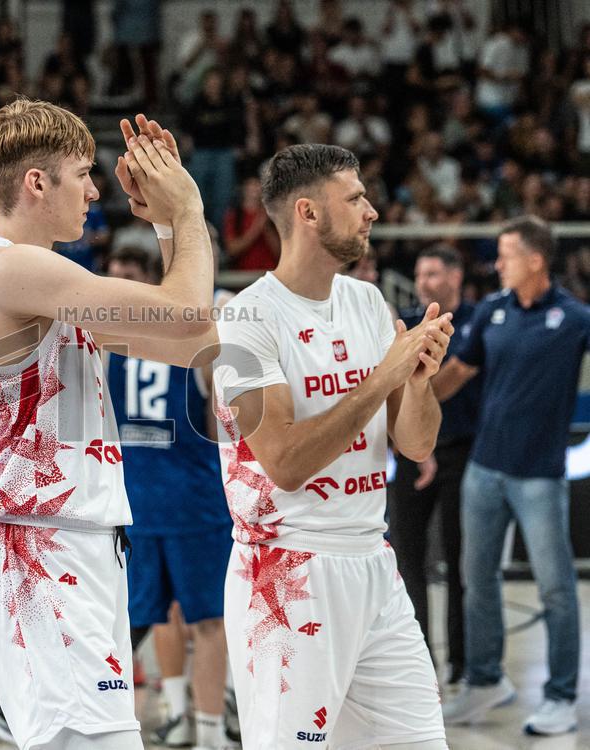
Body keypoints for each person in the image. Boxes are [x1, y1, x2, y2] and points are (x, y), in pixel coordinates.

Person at [0, 99, 217, 750]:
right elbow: (187, 315)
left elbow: (189, 341)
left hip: (69, 546)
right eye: (82, 173)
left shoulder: (43, 280)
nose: (97, 191)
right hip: (37, 549)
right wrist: (187, 211)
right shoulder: (11, 267)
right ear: (38, 183)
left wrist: (168, 230)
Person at [213, 143, 453, 749]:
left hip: (373, 559)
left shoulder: (366, 302)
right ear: (307, 213)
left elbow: (416, 443)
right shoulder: (247, 321)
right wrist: (383, 378)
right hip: (287, 571)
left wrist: (417, 383)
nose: (371, 211)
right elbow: (286, 463)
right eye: (355, 198)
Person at [436, 216, 588, 736]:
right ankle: (484, 682)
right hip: (484, 470)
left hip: (540, 477)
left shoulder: (574, 319)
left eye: (506, 254)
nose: (497, 264)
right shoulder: (492, 311)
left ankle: (562, 695)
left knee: (556, 589)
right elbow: (457, 373)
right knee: (475, 580)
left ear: (536, 259)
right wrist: (407, 400)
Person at [105, 247, 234, 750]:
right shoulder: (200, 334)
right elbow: (218, 428)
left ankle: (179, 713)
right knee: (208, 622)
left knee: (159, 612)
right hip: (193, 499)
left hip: (136, 499)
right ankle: (210, 730)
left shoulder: (115, 339)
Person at [389, 244, 480, 687]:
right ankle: (417, 664)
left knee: (461, 563)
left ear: (456, 276)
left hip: (462, 452)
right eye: (420, 273)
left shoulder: (476, 320)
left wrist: (427, 380)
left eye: (433, 273)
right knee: (409, 561)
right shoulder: (408, 322)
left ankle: (461, 667)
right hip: (410, 454)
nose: (424, 281)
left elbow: (437, 384)